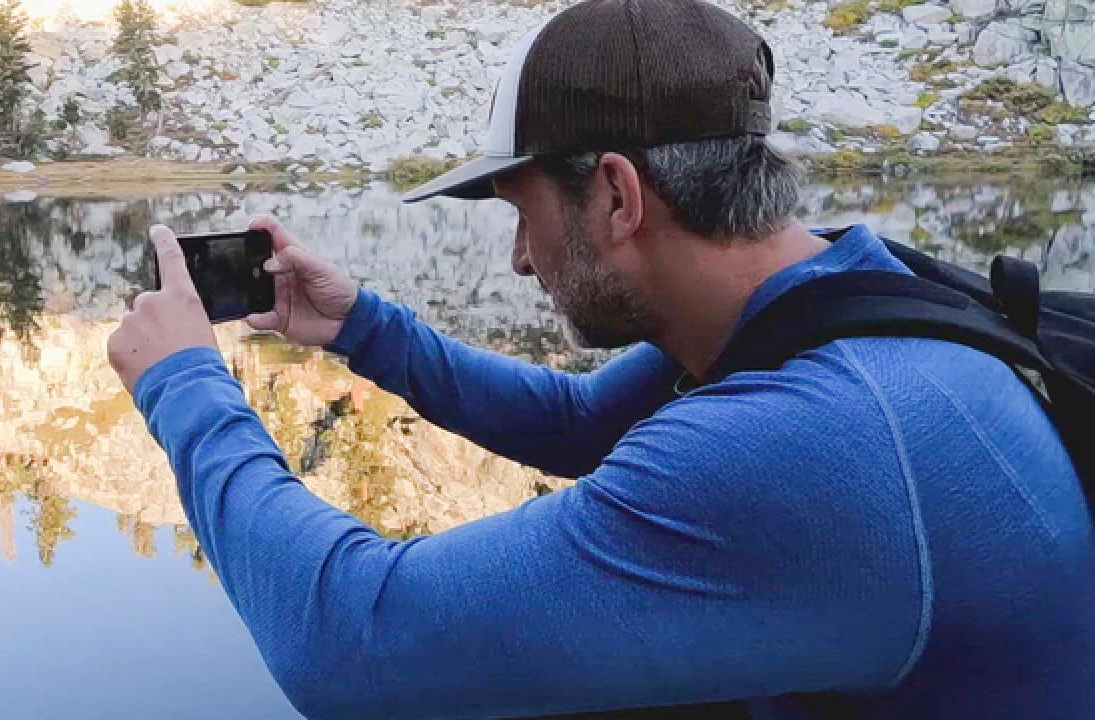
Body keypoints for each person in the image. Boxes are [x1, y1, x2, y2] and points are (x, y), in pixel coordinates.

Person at [107, 0, 1095, 717]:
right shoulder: (832, 291)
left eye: (524, 213)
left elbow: (352, 644)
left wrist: (184, 387)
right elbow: (577, 424)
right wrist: (359, 325)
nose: (521, 257)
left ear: (617, 198)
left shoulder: (818, 438)